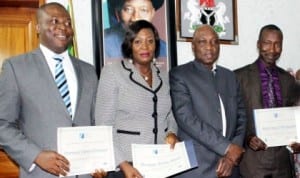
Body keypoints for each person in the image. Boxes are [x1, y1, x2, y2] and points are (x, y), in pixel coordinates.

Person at [0, 2, 98, 178]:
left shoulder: (89, 71)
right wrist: (35, 155)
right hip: (41, 173)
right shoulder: (16, 68)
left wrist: (100, 160)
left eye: (68, 23)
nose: (63, 28)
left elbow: (95, 122)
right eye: (54, 21)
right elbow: (3, 125)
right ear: (38, 27)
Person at [95, 20, 178, 178]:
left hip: (160, 163)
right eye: (138, 41)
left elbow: (170, 116)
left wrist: (172, 133)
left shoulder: (164, 76)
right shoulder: (112, 73)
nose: (145, 47)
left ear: (156, 45)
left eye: (150, 41)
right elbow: (103, 126)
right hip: (126, 166)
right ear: (129, 45)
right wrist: (123, 164)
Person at [169, 25, 246, 178]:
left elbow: (241, 117)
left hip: (229, 167)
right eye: (202, 42)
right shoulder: (180, 75)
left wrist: (231, 155)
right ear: (193, 46)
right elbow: (186, 118)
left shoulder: (230, 76)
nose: (209, 47)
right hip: (197, 168)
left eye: (214, 42)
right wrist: (226, 148)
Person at [235, 24, 295, 178]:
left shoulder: (289, 80)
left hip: (283, 164)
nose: (272, 49)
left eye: (277, 44)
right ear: (258, 44)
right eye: (267, 43)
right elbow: (233, 119)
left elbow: (295, 116)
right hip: (252, 164)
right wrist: (248, 138)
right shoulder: (239, 77)